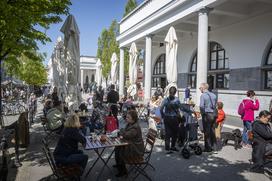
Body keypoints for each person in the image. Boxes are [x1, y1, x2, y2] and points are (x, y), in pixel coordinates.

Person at [160, 86, 192, 154]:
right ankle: (173, 146)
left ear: (169, 92)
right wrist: (189, 111)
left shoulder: (165, 99)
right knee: (175, 133)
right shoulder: (176, 100)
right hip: (174, 118)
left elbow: (161, 109)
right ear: (175, 93)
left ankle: (167, 148)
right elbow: (181, 108)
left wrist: (163, 116)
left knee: (167, 133)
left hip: (167, 118)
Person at [114, 110, 144, 177]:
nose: (126, 118)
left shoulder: (135, 127)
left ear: (133, 119)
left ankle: (123, 171)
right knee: (117, 147)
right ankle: (119, 165)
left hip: (136, 149)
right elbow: (124, 133)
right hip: (132, 145)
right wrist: (122, 132)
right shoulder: (130, 124)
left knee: (121, 150)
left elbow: (126, 135)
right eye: (126, 117)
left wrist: (121, 131)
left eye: (128, 117)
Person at [199, 83, 217, 152]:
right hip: (213, 115)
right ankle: (214, 147)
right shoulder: (214, 95)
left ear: (203, 88)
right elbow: (214, 106)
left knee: (207, 132)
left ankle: (208, 148)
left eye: (200, 88)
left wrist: (202, 114)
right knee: (212, 131)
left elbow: (201, 106)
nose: (200, 89)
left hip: (207, 115)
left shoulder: (203, 96)